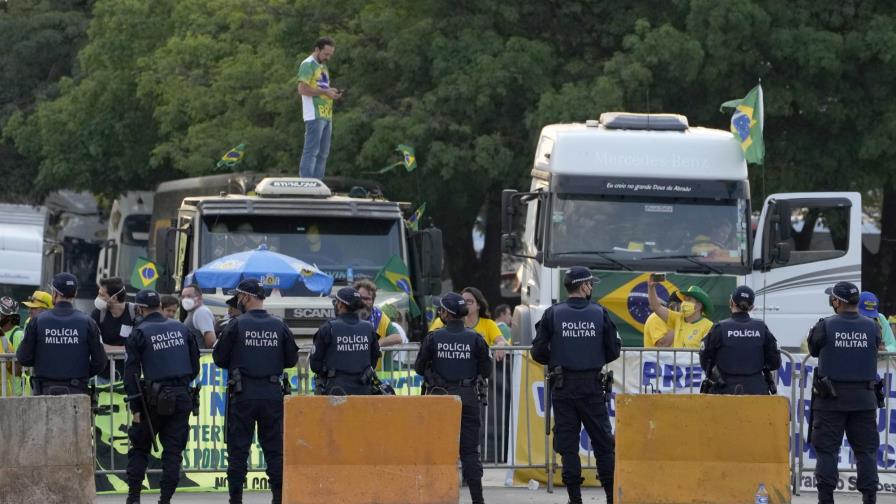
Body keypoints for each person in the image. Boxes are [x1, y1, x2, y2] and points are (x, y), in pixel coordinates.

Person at [531, 266, 621, 504]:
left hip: (563, 386)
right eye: (590, 284)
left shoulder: (552, 314)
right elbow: (613, 350)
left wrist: (559, 359)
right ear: (583, 286)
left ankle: (575, 499)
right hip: (592, 387)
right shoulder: (600, 313)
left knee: (568, 446)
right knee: (603, 445)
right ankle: (611, 497)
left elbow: (537, 351)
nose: (591, 288)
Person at [214, 278, 298, 504]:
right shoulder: (279, 325)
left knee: (238, 450)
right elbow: (291, 359)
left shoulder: (236, 324)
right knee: (274, 450)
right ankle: (279, 498)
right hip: (272, 394)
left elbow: (219, 358)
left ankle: (236, 500)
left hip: (243, 394)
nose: (237, 301)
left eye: (239, 296)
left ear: (246, 297)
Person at [123, 289, 200, 504]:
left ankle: (134, 498)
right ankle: (165, 500)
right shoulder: (181, 329)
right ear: (159, 305)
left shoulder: (139, 332)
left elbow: (131, 375)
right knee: (173, 454)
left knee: (139, 449)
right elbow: (194, 367)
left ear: (139, 308)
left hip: (151, 400)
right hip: (181, 396)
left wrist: (136, 408)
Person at [414, 292, 491, 504]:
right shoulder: (476, 339)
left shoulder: (433, 338)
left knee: (437, 451)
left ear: (446, 313)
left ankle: (437, 497)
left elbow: (419, 367)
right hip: (468, 398)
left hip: (440, 400)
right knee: (469, 453)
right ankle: (478, 500)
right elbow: (486, 370)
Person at [808, 282, 881, 504]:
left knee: (827, 452)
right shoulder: (872, 326)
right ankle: (870, 498)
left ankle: (826, 499)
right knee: (866, 453)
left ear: (837, 301)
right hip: (864, 400)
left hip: (831, 401)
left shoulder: (825, 326)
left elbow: (813, 349)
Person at [16, 272, 107, 395]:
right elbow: (100, 361)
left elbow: (24, 358)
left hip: (45, 391)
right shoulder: (88, 322)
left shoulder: (37, 321)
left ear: (55, 293)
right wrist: (81, 373)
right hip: (77, 391)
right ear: (75, 294)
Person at [699, 286, 781, 395]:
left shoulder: (719, 328)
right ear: (751, 307)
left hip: (724, 391)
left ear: (731, 302)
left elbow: (705, 359)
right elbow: (775, 362)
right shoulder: (761, 328)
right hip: (756, 391)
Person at [310, 287, 380, 395]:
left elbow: (315, 365)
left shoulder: (328, 328)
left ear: (341, 304)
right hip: (363, 389)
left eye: (336, 301)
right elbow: (374, 359)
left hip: (335, 391)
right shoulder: (369, 328)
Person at [297, 36, 341, 179]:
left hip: (326, 114)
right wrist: (324, 92)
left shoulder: (323, 66)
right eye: (326, 54)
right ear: (317, 50)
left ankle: (317, 184)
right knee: (311, 151)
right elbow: (302, 89)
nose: (328, 57)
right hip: (314, 114)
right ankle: (307, 184)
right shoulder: (307, 64)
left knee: (323, 154)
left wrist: (330, 92)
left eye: (330, 55)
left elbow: (322, 87)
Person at [429, 287, 509, 360]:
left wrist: (500, 345)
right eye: (463, 301)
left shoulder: (488, 324)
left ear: (478, 305)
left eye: (469, 301)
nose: (465, 304)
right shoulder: (446, 321)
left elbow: (501, 341)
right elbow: (429, 339)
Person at [646, 278, 714, 348]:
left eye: (689, 299)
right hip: (677, 359)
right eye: (684, 299)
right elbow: (656, 307)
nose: (684, 303)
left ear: (699, 305)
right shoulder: (677, 318)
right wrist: (651, 288)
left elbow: (708, 351)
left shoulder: (708, 326)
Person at [91, 276, 137, 351]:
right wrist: (125, 349)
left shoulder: (135, 312)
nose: (98, 297)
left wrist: (107, 348)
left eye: (102, 295)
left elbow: (138, 346)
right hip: (106, 362)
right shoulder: (98, 313)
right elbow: (95, 345)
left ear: (114, 298)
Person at [353, 279, 402, 347]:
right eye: (361, 298)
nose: (363, 302)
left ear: (373, 301)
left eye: (367, 299)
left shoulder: (379, 316)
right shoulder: (347, 315)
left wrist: (377, 343)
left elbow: (398, 338)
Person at [180, 284, 217, 349]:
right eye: (183, 297)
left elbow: (211, 341)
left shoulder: (201, 312)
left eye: (189, 296)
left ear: (199, 298)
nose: (185, 299)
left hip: (200, 357)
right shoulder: (193, 312)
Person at [1, 297, 24, 396]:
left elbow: (19, 368)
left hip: (14, 391)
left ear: (9, 318)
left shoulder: (17, 334)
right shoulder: (3, 333)